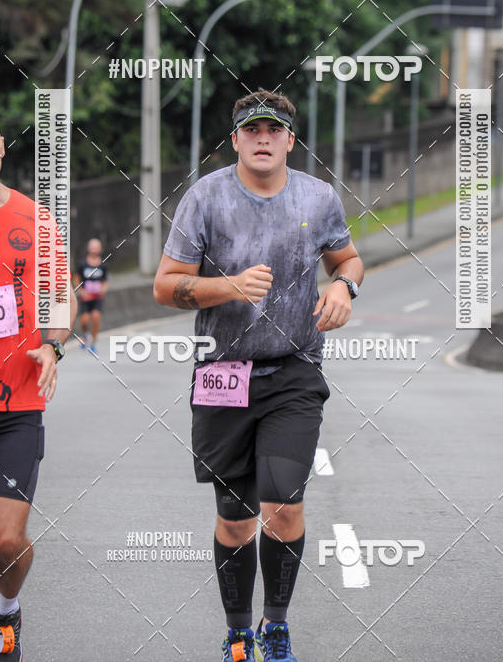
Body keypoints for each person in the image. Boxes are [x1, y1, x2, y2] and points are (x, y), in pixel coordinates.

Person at [154, 88, 364, 662]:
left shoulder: (318, 197)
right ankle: (238, 631)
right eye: (253, 130)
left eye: (274, 130)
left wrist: (344, 285)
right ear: (236, 140)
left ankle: (276, 626)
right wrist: (228, 286)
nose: (264, 138)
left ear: (290, 141)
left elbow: (347, 257)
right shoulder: (206, 198)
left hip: (294, 370)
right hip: (222, 372)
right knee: (236, 518)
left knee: (283, 504)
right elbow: (165, 284)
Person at [0, 104, 77, 662]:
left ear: (4, 146)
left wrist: (53, 344)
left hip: (17, 404)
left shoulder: (36, 219)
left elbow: (62, 294)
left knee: (5, 540)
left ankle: (6, 611)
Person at [74, 239, 108, 354]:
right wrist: (82, 291)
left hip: (97, 297)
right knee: (84, 320)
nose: (94, 249)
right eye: (92, 247)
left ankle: (93, 343)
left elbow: (105, 281)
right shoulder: (83, 264)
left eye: (96, 247)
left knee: (96, 317)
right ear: (88, 248)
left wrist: (103, 289)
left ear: (100, 249)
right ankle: (85, 335)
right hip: (86, 297)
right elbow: (77, 279)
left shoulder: (103, 265)